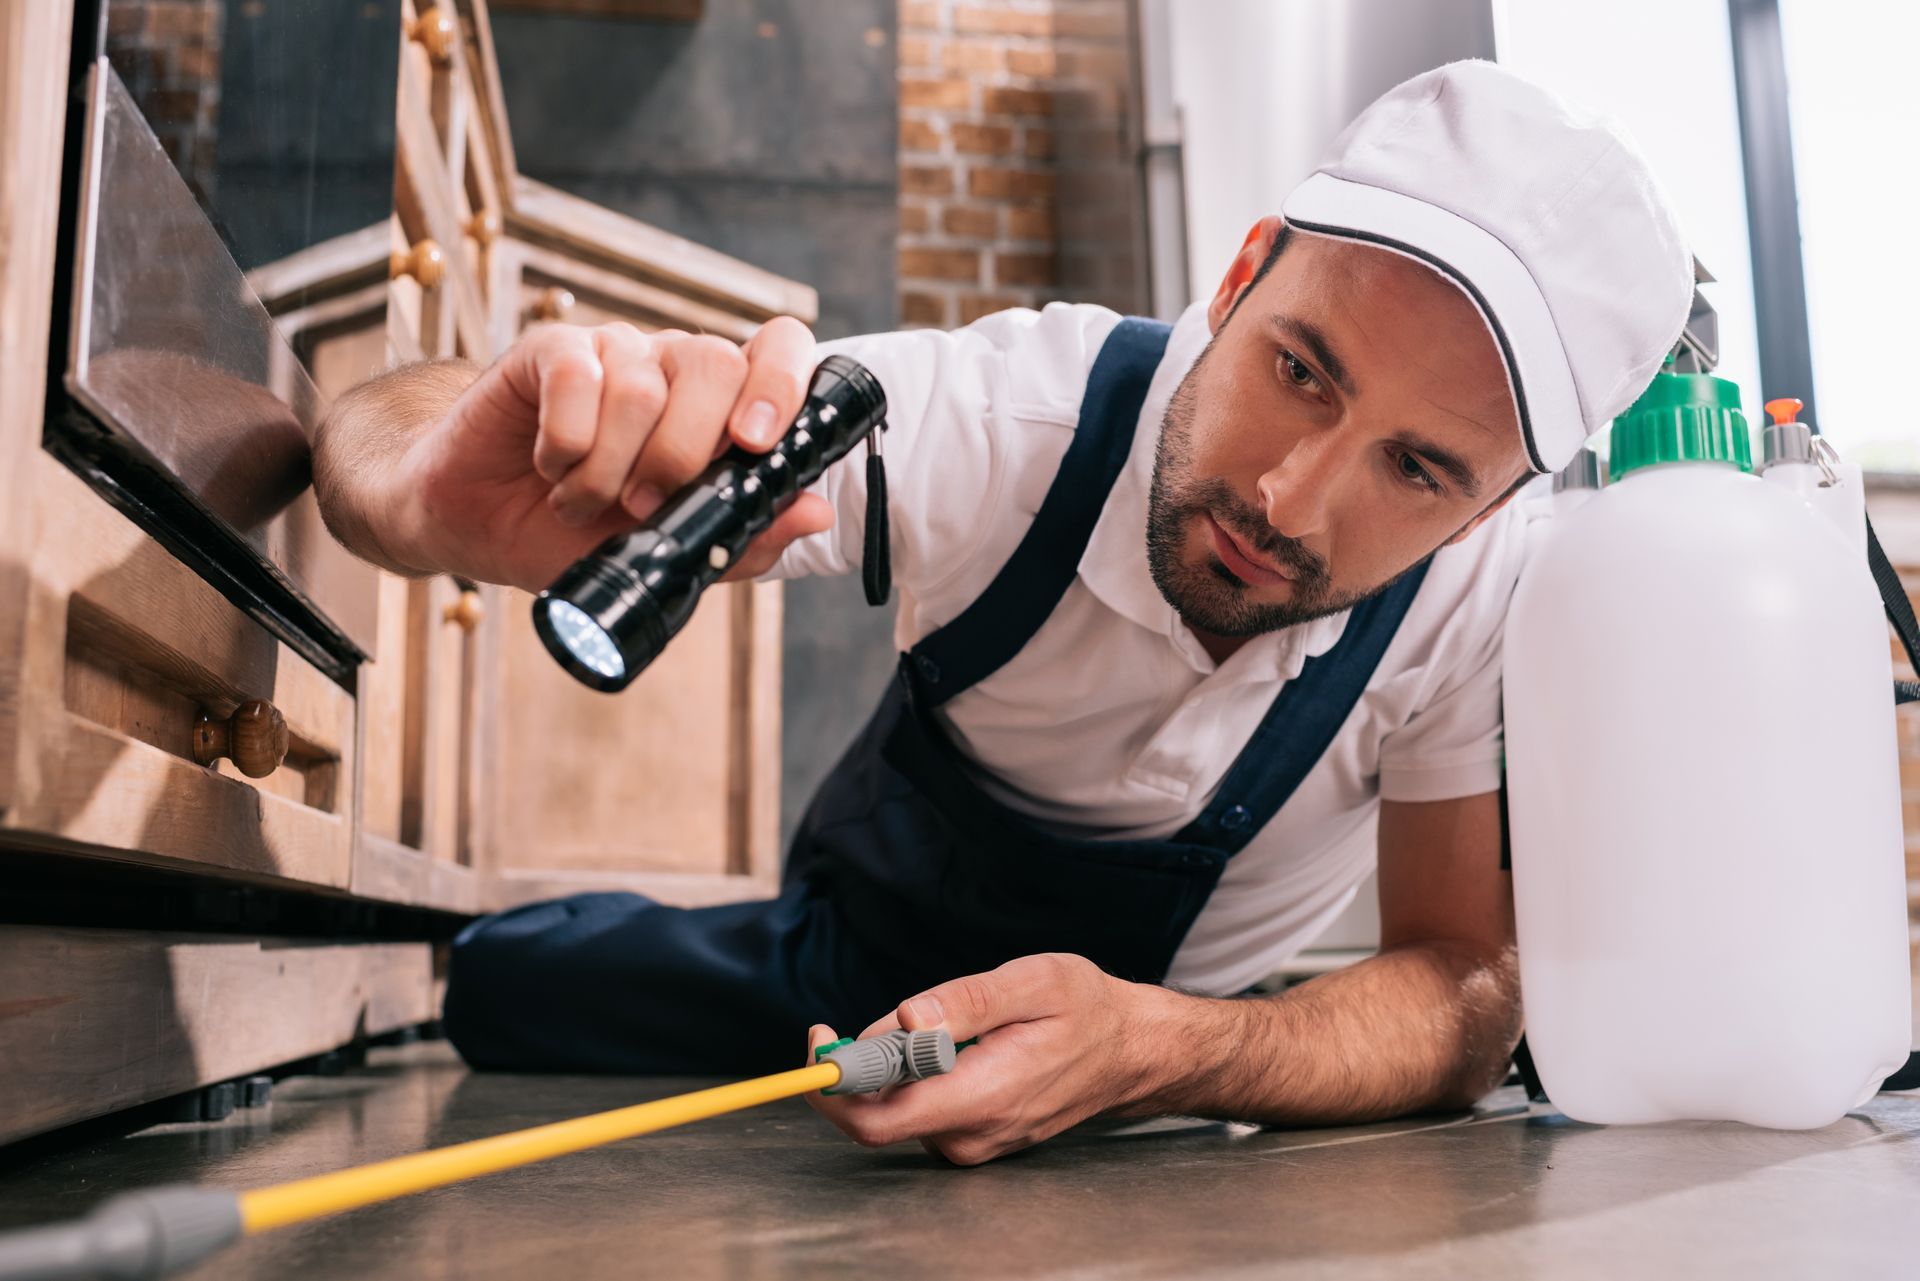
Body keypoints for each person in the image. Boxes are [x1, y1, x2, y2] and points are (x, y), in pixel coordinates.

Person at [312, 61, 1692, 1165]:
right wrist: (438, 471)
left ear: (1503, 498)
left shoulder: (1492, 597)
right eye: (1301, 368)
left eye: (1419, 467)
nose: (1289, 496)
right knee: (503, 985)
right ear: (1244, 271)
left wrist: (1164, 1051)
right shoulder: (1011, 420)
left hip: (1177, 1082)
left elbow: (1458, 979)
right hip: (846, 977)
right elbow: (380, 437)